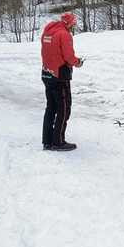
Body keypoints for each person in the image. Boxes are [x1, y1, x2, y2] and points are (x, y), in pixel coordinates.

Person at [41, 12, 83, 151]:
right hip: (59, 76)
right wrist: (77, 62)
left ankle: (47, 141)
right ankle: (58, 142)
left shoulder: (48, 32)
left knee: (50, 108)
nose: (74, 26)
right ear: (69, 23)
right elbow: (69, 57)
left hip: (47, 73)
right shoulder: (64, 34)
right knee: (64, 109)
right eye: (73, 24)